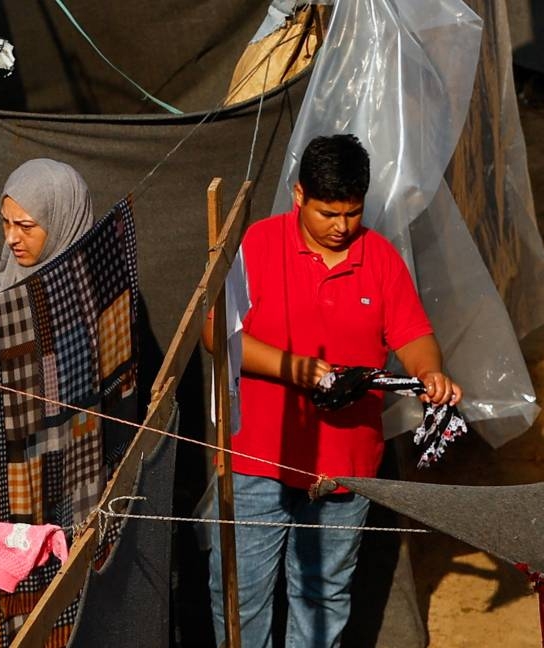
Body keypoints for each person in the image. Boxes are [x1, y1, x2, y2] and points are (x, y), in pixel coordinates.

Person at [201, 134, 462, 648]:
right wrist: (294, 369)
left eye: (352, 213)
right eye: (327, 214)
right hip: (259, 460)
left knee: (323, 597)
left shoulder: (380, 258)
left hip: (344, 471)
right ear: (298, 195)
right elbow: (215, 333)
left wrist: (430, 372)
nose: (342, 227)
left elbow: (414, 337)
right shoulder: (259, 243)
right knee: (239, 594)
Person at [0, 158, 94, 293]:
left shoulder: (103, 291)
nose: (10, 239)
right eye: (6, 222)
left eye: (25, 226)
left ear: (61, 225)